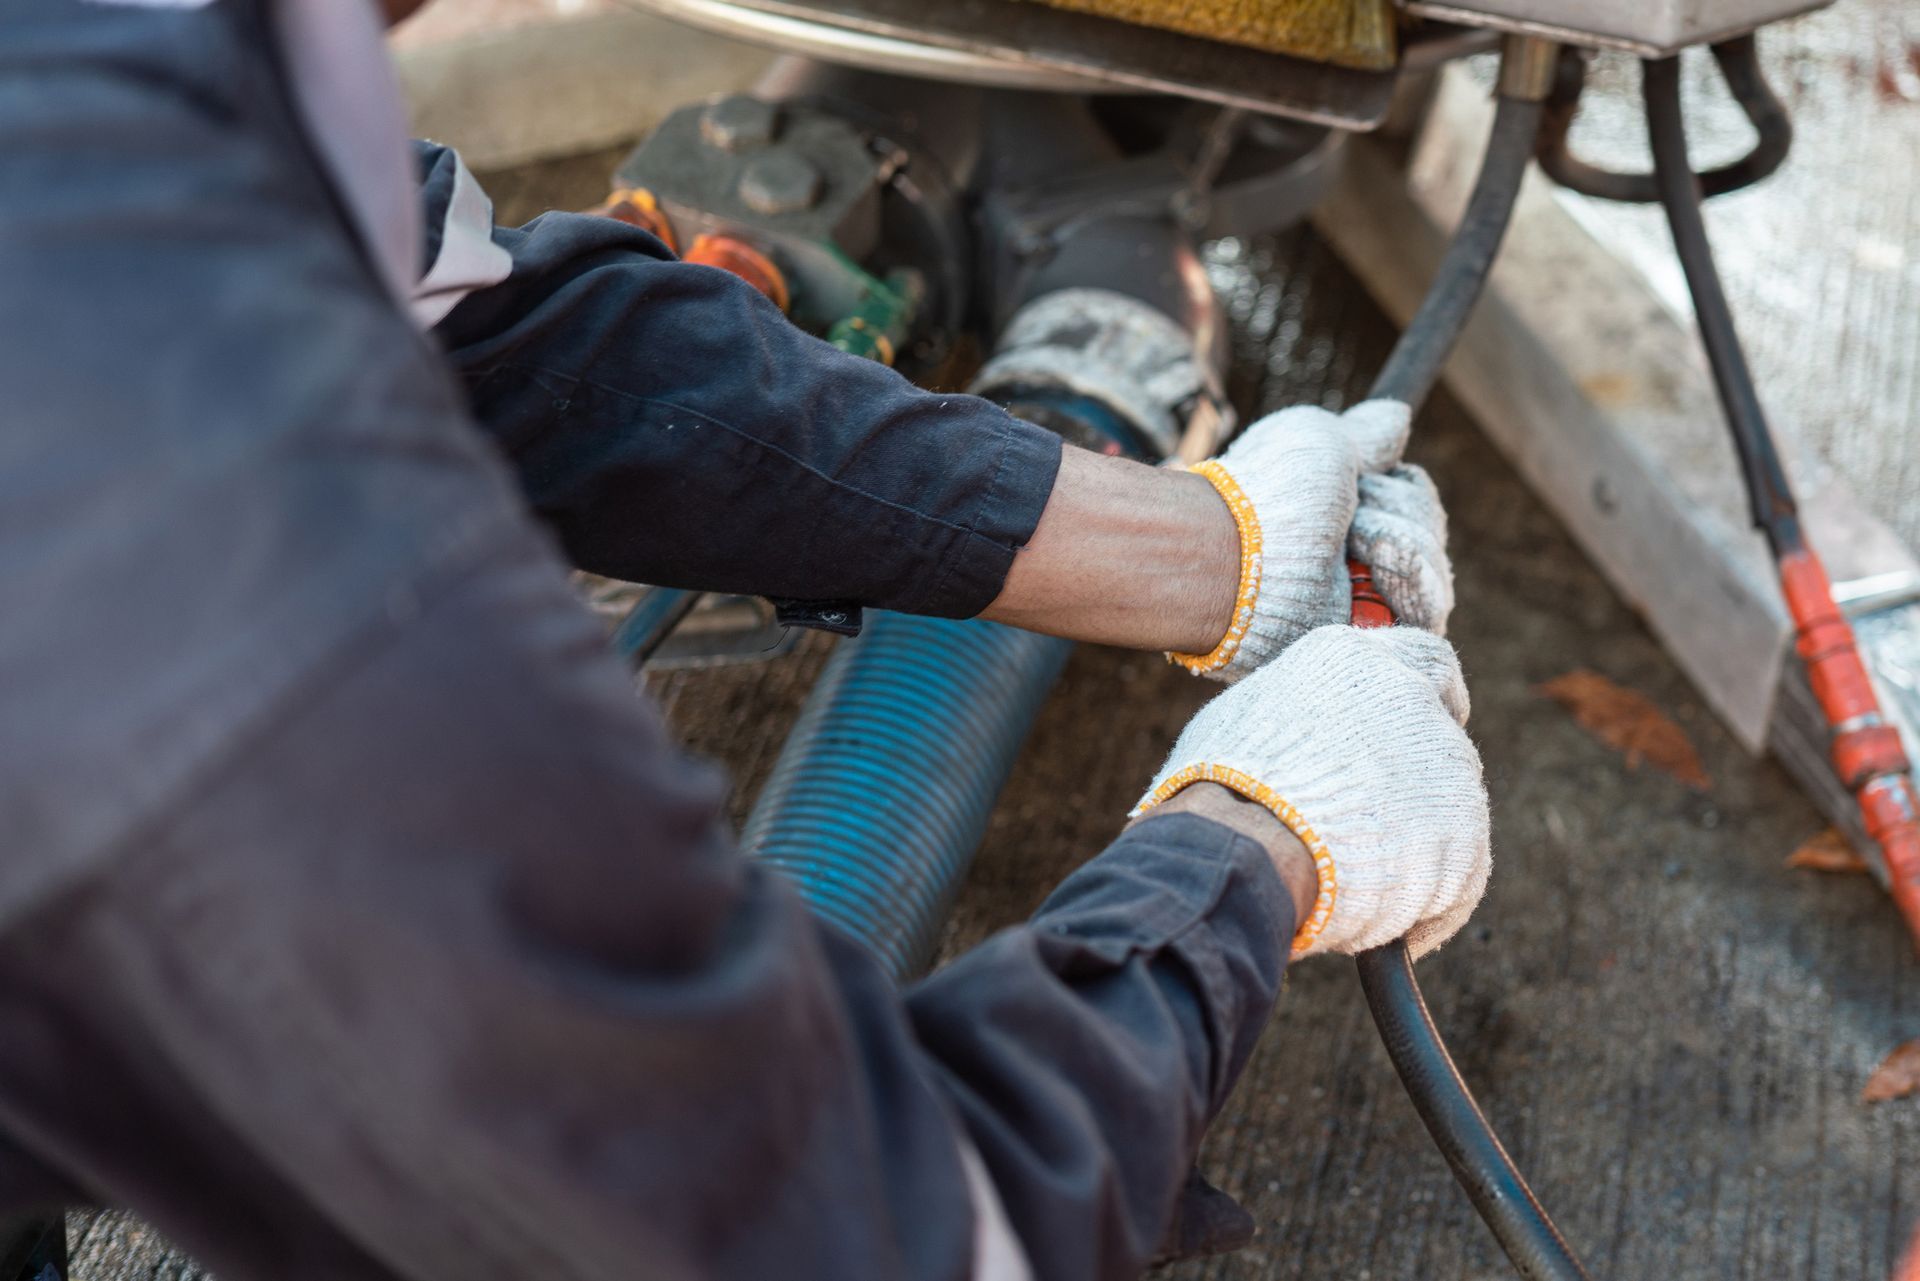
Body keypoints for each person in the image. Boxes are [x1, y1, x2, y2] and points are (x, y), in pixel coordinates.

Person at [0, 2, 1491, 1279]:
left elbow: (509, 341)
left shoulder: (120, 74)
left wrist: (1214, 548)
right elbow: (872, 1239)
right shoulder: (202, 554)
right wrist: (1267, 833)